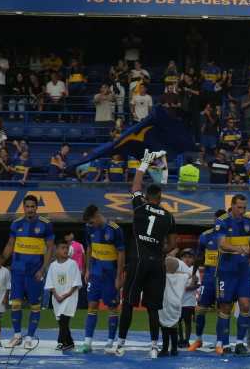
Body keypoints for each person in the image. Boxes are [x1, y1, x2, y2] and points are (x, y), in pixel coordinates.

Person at [111, 150, 177, 359]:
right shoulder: (169, 216)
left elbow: (135, 186)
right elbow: (173, 244)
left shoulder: (140, 206)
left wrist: (144, 165)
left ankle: (120, 344)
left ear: (148, 197)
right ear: (161, 198)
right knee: (153, 308)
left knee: (129, 303)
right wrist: (159, 249)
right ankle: (154, 347)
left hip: (138, 260)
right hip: (157, 262)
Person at [0, 194, 54, 350]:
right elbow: (10, 244)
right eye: (27, 206)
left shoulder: (46, 224)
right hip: (17, 270)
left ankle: (29, 337)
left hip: (35, 272)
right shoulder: (16, 224)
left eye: (32, 206)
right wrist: (1, 261)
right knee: (15, 304)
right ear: (23, 207)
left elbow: (50, 247)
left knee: (35, 305)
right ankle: (17, 336)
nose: (30, 209)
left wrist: (43, 268)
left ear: (36, 208)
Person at [81, 206, 125, 354]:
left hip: (110, 275)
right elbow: (89, 248)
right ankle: (87, 342)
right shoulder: (89, 228)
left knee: (112, 307)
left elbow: (121, 254)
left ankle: (110, 341)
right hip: (95, 273)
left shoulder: (115, 229)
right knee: (92, 305)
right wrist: (87, 269)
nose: (90, 225)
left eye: (92, 222)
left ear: (97, 215)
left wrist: (119, 276)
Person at [215, 194, 250, 355]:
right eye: (239, 207)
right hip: (226, 271)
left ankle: (240, 342)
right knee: (225, 306)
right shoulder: (222, 220)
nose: (242, 210)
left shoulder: (249, 222)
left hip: (244, 271)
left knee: (245, 305)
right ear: (232, 206)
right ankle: (223, 342)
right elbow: (222, 244)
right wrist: (239, 249)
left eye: (244, 207)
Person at [188, 214, 223, 352]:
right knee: (200, 310)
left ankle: (220, 343)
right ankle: (198, 339)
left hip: (224, 278)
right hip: (208, 278)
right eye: (217, 220)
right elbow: (199, 256)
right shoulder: (205, 236)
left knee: (223, 310)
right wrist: (193, 274)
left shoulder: (232, 236)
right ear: (214, 220)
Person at [45, 241, 82, 352]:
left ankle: (60, 342)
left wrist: (67, 294)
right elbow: (50, 282)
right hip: (57, 297)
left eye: (67, 247)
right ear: (57, 250)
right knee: (61, 321)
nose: (65, 250)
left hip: (70, 296)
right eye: (63, 247)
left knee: (65, 319)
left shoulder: (73, 264)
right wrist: (56, 295)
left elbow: (77, 282)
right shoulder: (53, 265)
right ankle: (70, 342)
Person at [159, 257, 185, 357]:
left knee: (165, 328)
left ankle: (165, 348)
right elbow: (190, 278)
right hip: (176, 304)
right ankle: (174, 349)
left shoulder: (162, 276)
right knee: (174, 329)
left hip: (165, 304)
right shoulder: (181, 277)